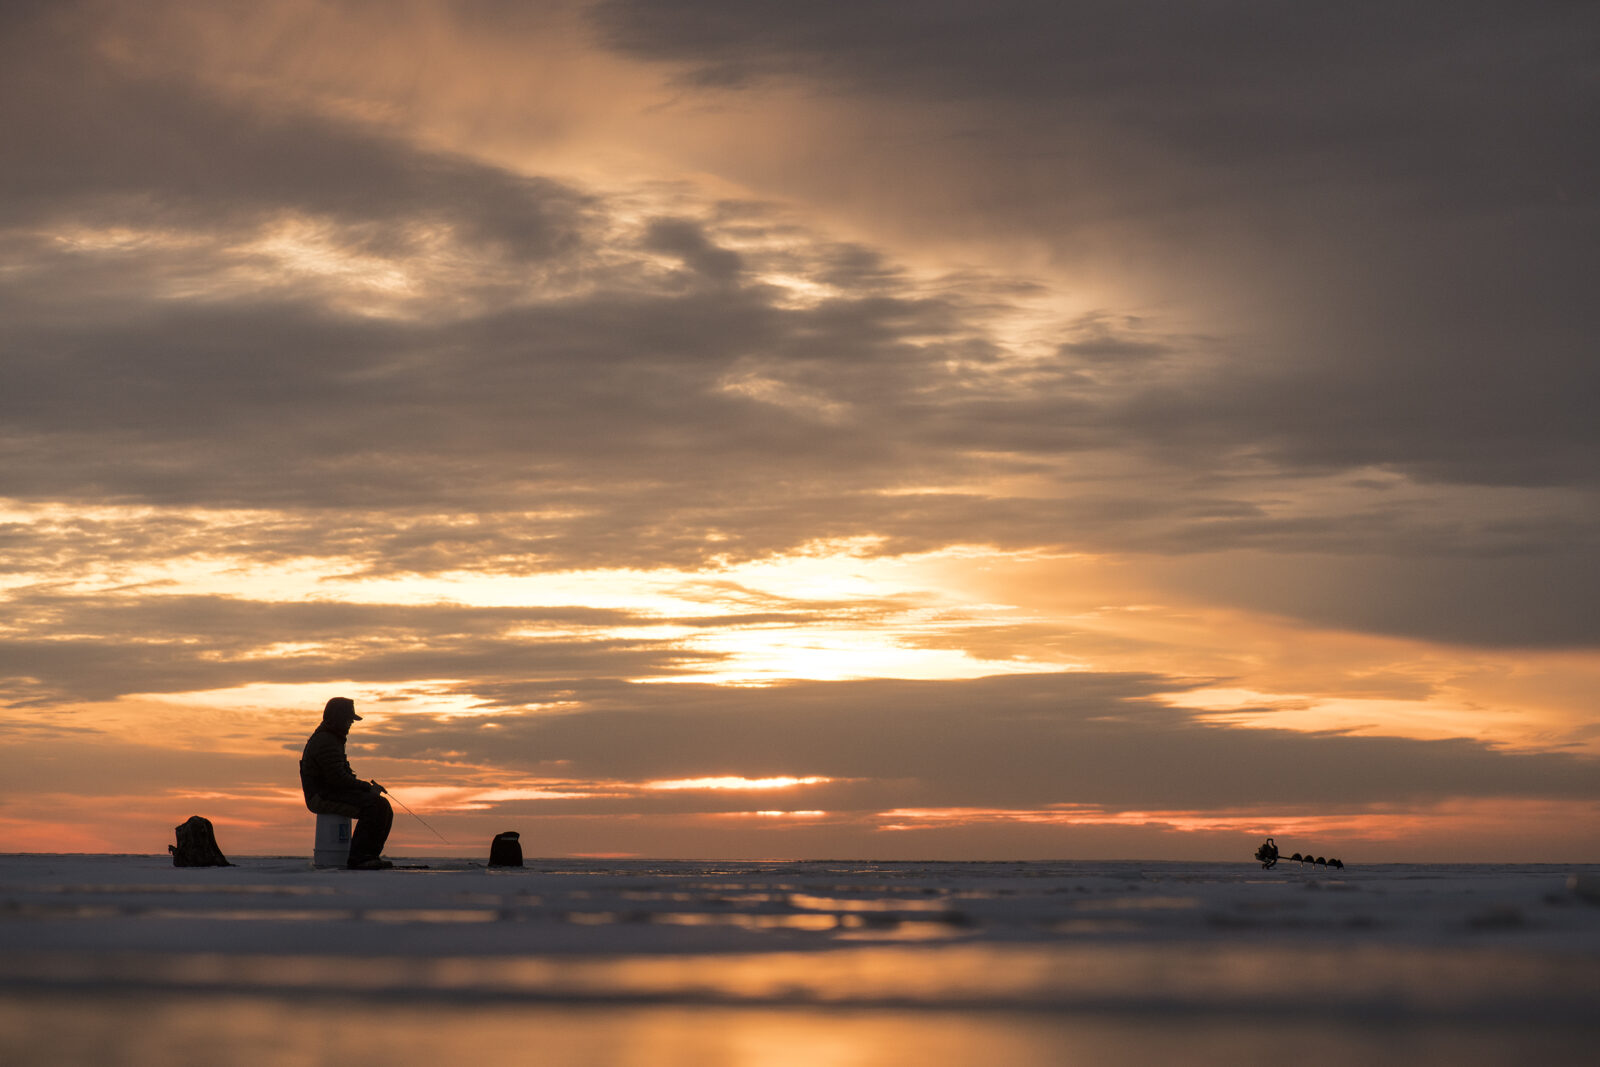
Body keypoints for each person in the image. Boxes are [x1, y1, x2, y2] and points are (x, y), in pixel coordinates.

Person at [300, 697, 393, 870]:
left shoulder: (333, 739)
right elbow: (337, 779)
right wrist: (367, 788)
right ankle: (360, 858)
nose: (351, 722)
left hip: (331, 792)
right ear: (337, 718)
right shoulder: (326, 741)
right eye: (349, 718)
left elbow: (340, 777)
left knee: (381, 806)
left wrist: (364, 788)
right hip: (322, 796)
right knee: (375, 805)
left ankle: (369, 856)